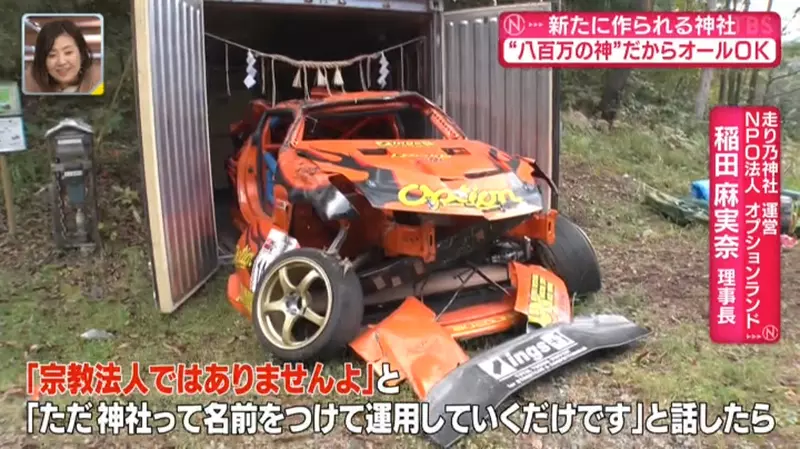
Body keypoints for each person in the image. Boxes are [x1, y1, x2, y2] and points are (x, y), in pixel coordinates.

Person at [23, 19, 102, 94]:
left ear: (81, 54)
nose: (61, 62)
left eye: (68, 52)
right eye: (52, 55)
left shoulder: (100, 81)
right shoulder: (28, 83)